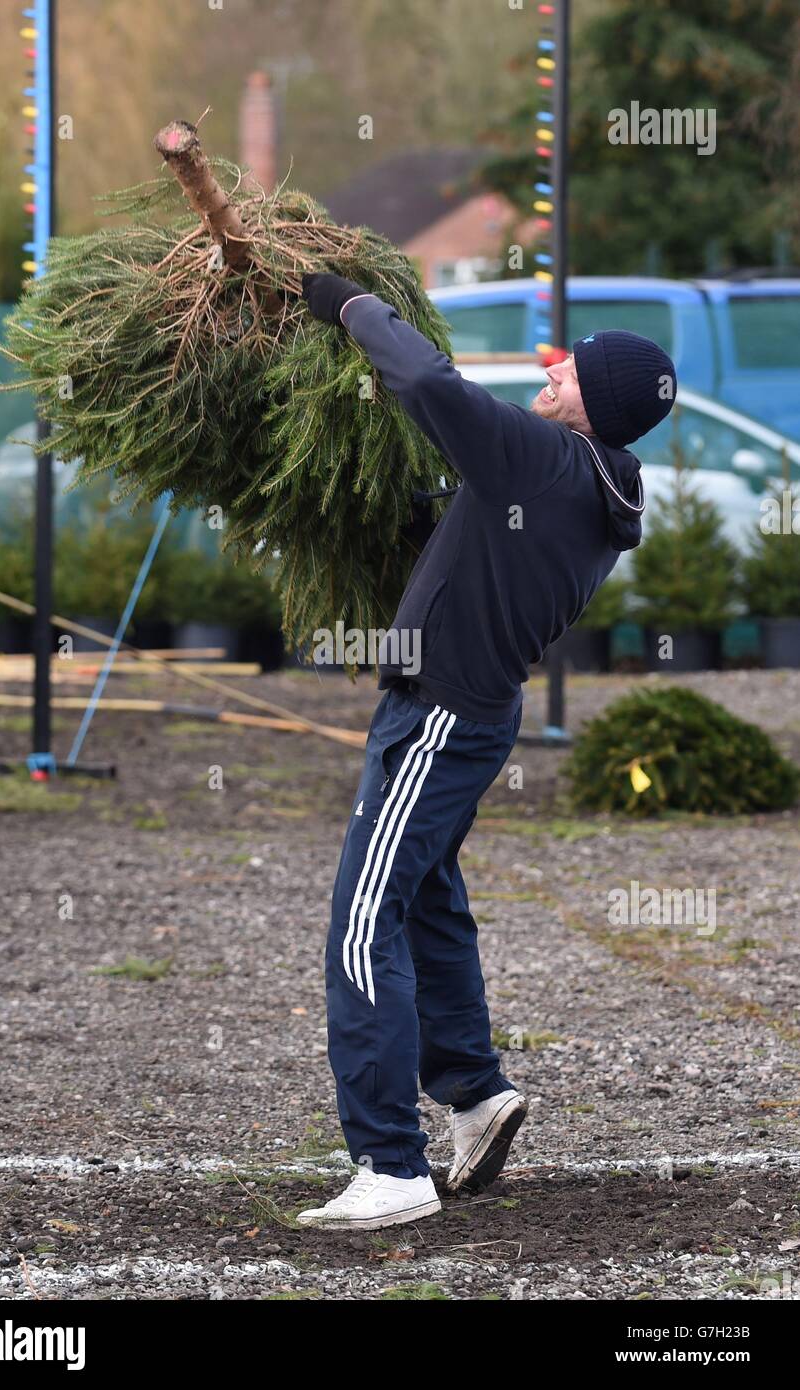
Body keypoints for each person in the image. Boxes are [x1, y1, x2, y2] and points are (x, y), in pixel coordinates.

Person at [297, 272, 677, 1230]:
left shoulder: (543, 457)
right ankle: (471, 1094)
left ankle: (388, 1164)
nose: (553, 368)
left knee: (362, 921)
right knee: (425, 898)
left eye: (572, 369)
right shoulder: (599, 485)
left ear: (596, 406)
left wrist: (352, 308)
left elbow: (430, 387)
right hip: (475, 715)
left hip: (437, 719)